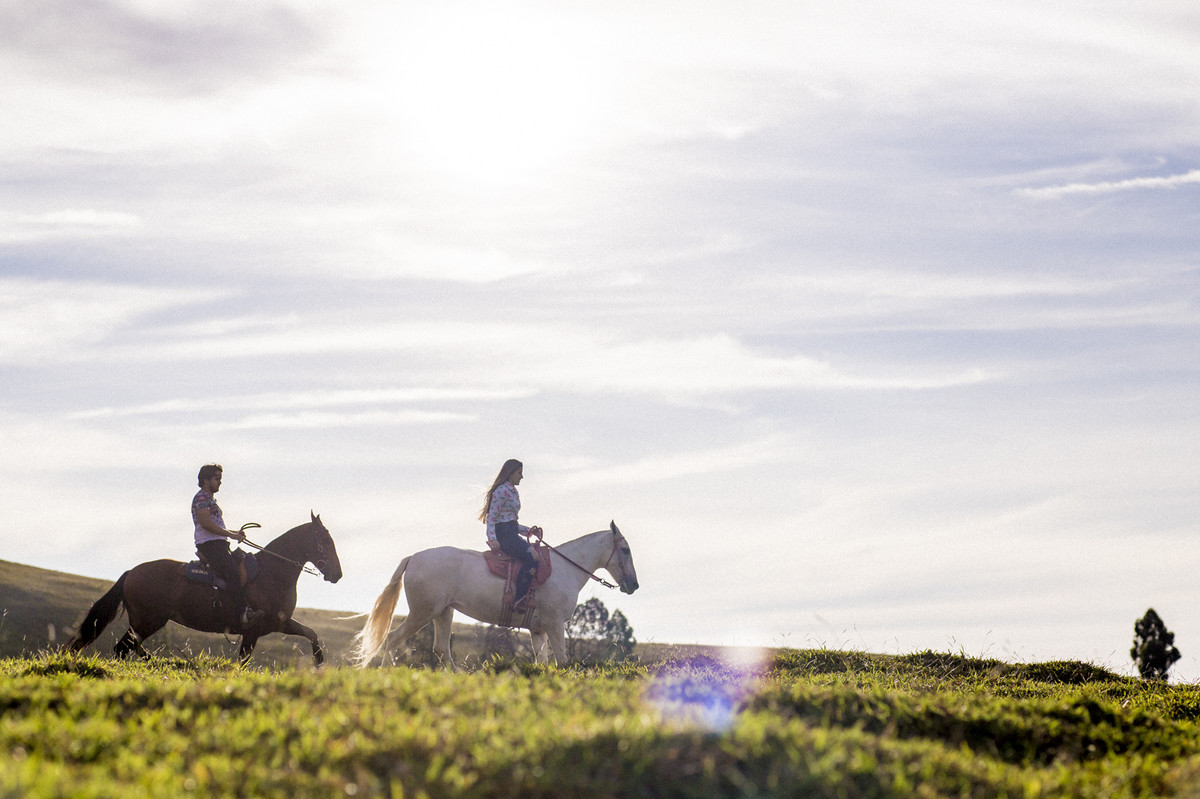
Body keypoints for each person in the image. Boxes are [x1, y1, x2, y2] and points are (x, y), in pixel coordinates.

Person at [192, 464, 262, 627]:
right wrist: (231, 535)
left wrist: (234, 533)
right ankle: (241, 615)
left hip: (218, 543)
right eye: (216, 479)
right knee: (232, 573)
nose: (220, 483)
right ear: (205, 480)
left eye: (220, 479)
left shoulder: (209, 499)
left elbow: (216, 527)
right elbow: (206, 523)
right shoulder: (201, 498)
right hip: (210, 545)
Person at [479, 459, 542, 610]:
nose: (522, 477)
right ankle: (519, 599)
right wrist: (492, 539)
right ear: (510, 473)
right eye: (519, 473)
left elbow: (510, 521)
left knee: (535, 554)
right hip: (505, 536)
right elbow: (492, 517)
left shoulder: (513, 491)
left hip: (511, 533)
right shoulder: (501, 491)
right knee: (533, 556)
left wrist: (529, 531)